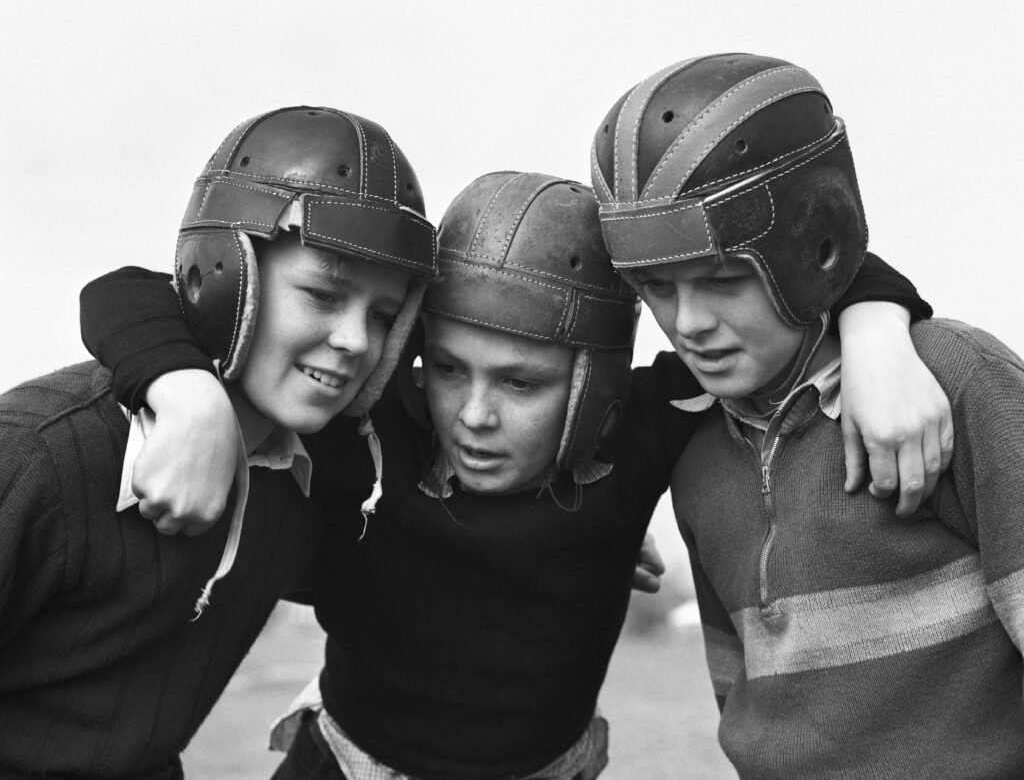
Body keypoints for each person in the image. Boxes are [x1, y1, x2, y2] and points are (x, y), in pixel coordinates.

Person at [79, 163, 939, 778]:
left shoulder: (633, 435)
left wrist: (876, 335)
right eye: (448, 368)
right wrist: (186, 393)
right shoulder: (379, 422)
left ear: (596, 384)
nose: (475, 414)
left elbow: (807, 273)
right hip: (341, 762)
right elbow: (124, 291)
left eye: (521, 383)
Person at [591, 52, 1024, 776]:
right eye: (657, 289)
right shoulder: (692, 449)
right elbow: (741, 698)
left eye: (724, 280)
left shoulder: (953, 379)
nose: (687, 322)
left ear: (814, 247)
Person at [0, 105, 438, 779]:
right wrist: (190, 394)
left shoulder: (309, 479)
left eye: (383, 317)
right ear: (226, 274)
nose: (356, 342)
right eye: (323, 294)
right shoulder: (42, 456)